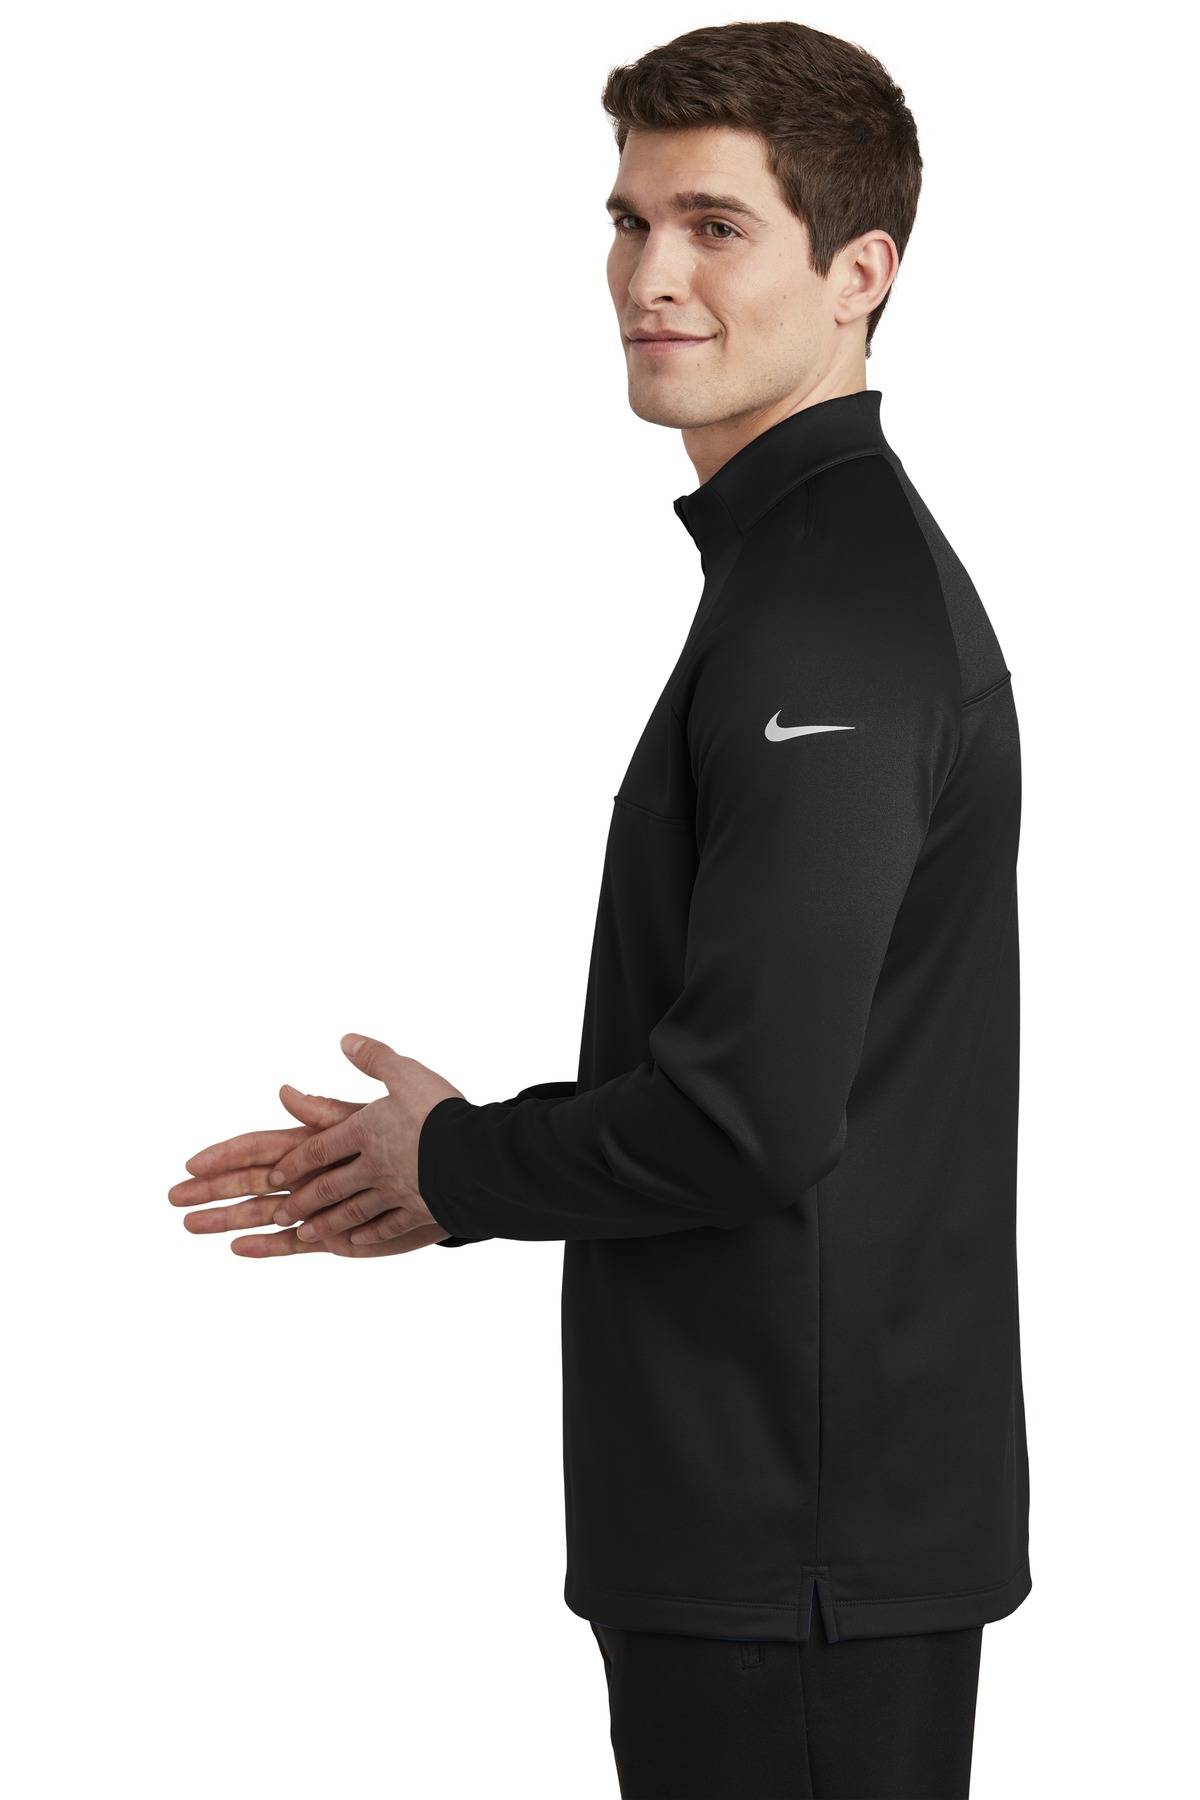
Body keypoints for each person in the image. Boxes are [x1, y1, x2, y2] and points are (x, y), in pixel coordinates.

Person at [170, 20, 1030, 1798]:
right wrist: (460, 1167)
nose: (650, 277)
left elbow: (748, 1117)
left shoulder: (830, 620)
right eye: (630, 221)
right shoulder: (792, 578)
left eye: (716, 228)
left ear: (861, 274)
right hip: (769, 1532)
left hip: (796, 1547)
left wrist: (457, 1164)